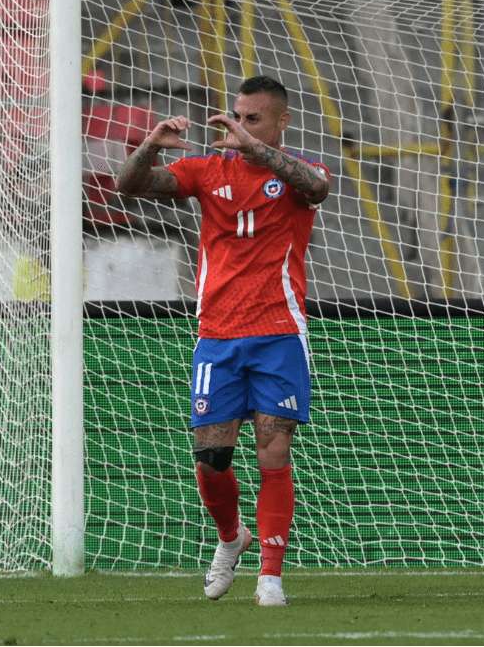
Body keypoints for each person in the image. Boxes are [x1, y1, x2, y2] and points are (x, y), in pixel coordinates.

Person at [116, 75, 331, 607]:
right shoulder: (208, 171)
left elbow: (318, 189)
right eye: (237, 115)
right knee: (211, 462)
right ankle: (232, 537)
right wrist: (147, 145)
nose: (238, 126)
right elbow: (128, 186)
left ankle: (270, 577)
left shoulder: (302, 174)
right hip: (217, 335)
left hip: (279, 332)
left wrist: (257, 150)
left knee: (273, 449)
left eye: (252, 118)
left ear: (282, 121)